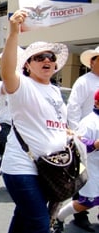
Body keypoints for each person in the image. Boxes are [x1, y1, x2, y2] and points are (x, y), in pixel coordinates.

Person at [0, 9, 69, 233]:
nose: (46, 60)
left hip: (50, 169)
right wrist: (13, 33)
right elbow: (7, 71)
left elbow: (56, 123)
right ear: (27, 65)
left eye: (50, 57)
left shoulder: (56, 92)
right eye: (39, 57)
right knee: (39, 224)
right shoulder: (22, 86)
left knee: (22, 218)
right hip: (22, 167)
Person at [52, 89, 99, 233]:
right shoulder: (90, 122)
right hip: (91, 166)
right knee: (88, 202)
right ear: (97, 103)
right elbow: (79, 145)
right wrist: (95, 144)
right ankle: (59, 217)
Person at [66, 45, 99, 231]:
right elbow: (73, 106)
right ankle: (79, 213)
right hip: (87, 134)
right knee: (83, 176)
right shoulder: (84, 81)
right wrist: (76, 134)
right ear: (92, 61)